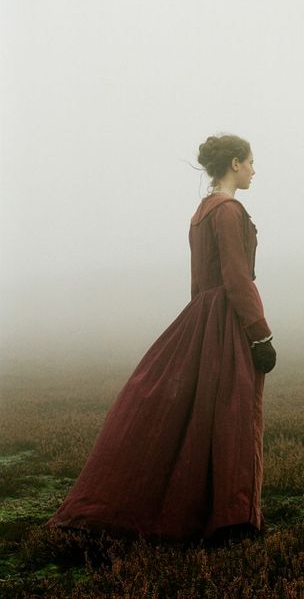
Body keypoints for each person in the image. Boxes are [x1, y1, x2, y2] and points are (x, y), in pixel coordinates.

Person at [45, 133, 276, 543]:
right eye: (252, 162)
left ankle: (219, 513)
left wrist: (200, 327)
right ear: (236, 164)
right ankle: (229, 519)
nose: (255, 170)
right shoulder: (228, 211)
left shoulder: (201, 213)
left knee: (200, 416)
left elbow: (198, 283)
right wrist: (259, 334)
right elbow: (237, 279)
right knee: (231, 414)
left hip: (204, 317)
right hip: (225, 320)